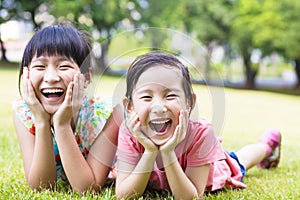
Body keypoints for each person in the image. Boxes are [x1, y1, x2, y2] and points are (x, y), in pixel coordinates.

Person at [115, 51, 281, 199]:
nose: (159, 107)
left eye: (170, 95)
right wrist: (150, 152)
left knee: (241, 159)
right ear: (130, 107)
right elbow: (124, 195)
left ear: (189, 103)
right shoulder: (129, 133)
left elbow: (190, 197)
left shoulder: (201, 133)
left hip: (215, 170)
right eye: (146, 97)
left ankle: (268, 144)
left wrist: (167, 152)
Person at [13, 24, 122, 193]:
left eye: (63, 66)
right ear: (26, 74)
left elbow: (88, 189)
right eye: (40, 67)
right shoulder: (24, 113)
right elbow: (42, 187)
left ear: (86, 78)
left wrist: (62, 125)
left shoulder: (104, 114)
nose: (51, 78)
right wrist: (42, 121)